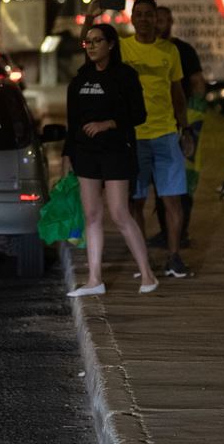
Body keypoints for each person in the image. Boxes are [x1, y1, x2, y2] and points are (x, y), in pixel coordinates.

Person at [85, 0, 194, 278]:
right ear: (132, 18)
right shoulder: (121, 48)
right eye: (140, 14)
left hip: (166, 134)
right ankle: (142, 258)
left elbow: (178, 94)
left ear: (157, 19)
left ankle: (174, 256)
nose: (144, 19)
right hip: (132, 136)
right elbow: (89, 47)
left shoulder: (170, 51)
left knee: (172, 199)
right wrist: (90, 15)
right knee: (136, 201)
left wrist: (186, 129)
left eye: (150, 15)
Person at [64, 23, 157, 296]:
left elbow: (138, 115)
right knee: (92, 215)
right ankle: (95, 280)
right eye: (88, 42)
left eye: (97, 41)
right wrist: (68, 155)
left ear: (111, 44)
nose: (91, 46)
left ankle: (148, 275)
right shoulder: (80, 78)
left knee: (119, 213)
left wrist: (108, 124)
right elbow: (72, 122)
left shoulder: (125, 76)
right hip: (86, 153)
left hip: (116, 150)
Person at [155, 5, 207, 248]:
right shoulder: (147, 51)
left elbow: (197, 84)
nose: (158, 25)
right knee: (159, 181)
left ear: (171, 22)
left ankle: (181, 232)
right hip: (157, 124)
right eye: (156, 20)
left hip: (184, 123)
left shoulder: (183, 50)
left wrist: (193, 123)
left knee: (183, 180)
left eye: (163, 20)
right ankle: (166, 232)